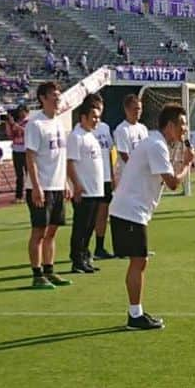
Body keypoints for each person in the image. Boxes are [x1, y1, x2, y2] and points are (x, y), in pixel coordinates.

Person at [108, 104, 195, 330]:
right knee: (139, 260)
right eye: (182, 125)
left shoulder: (157, 143)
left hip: (131, 210)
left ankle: (135, 312)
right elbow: (174, 183)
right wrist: (187, 164)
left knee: (140, 260)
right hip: (130, 210)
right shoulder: (156, 145)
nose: (185, 129)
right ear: (169, 126)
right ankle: (134, 315)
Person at [24, 80, 71, 289]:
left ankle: (49, 269)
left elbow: (62, 156)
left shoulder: (59, 123)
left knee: (52, 231)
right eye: (53, 94)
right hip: (41, 186)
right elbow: (30, 157)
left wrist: (66, 183)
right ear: (43, 98)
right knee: (39, 232)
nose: (58, 98)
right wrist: (36, 186)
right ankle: (37, 274)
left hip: (58, 186)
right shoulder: (35, 124)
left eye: (59, 94)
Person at [66, 94, 106, 274]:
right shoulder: (76, 136)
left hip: (96, 189)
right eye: (94, 117)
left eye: (98, 117)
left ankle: (85, 257)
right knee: (81, 227)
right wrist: (76, 185)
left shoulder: (91, 135)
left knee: (90, 226)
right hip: (84, 191)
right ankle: (76, 259)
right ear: (83, 117)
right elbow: (70, 163)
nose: (97, 120)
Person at [92, 113, 115, 260]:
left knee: (103, 213)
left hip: (105, 177)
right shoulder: (82, 130)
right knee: (90, 216)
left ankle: (99, 247)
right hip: (92, 178)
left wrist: (112, 176)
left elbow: (109, 153)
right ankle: (82, 249)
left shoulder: (105, 128)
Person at [113, 93, 149, 188]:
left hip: (142, 176)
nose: (138, 112)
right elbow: (125, 155)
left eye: (140, 109)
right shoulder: (122, 129)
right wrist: (138, 169)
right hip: (128, 178)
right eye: (135, 109)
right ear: (127, 110)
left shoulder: (143, 128)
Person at [5, 105, 28, 200]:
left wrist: (14, 124)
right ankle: (19, 196)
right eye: (19, 111)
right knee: (19, 175)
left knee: (29, 174)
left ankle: (30, 194)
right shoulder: (16, 122)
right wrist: (8, 124)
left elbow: (26, 132)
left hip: (26, 151)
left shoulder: (30, 122)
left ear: (27, 112)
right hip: (16, 150)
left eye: (22, 111)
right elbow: (10, 136)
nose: (20, 113)